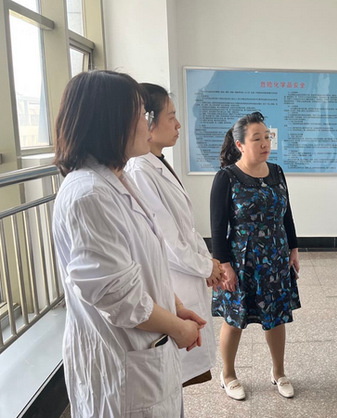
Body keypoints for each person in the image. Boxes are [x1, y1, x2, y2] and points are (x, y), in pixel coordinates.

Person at [52, 70, 205, 417]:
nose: (146, 123)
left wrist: (174, 305)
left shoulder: (115, 180)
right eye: (140, 113)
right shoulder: (89, 194)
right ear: (111, 121)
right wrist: (178, 327)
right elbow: (120, 297)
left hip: (144, 357)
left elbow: (140, 265)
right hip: (122, 371)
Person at [126, 83, 222, 387]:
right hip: (173, 278)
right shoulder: (140, 171)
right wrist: (206, 267)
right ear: (149, 122)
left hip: (185, 277)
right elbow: (168, 241)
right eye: (171, 117)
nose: (178, 124)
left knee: (181, 378)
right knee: (171, 377)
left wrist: (207, 263)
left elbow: (185, 228)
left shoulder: (156, 163)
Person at [210, 112, 301, 400]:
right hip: (241, 259)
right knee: (234, 318)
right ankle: (228, 374)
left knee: (276, 317)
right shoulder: (226, 177)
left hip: (275, 256)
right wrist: (224, 266)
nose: (265, 143)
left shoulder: (276, 172)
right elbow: (217, 227)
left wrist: (293, 248)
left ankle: (278, 372)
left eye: (267, 137)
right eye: (257, 138)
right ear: (239, 144)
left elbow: (286, 214)